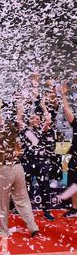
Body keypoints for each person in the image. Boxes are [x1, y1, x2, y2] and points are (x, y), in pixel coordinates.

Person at [0, 113, 39, 237]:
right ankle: (33, 227)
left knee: (2, 202)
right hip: (19, 168)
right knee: (23, 199)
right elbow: (30, 145)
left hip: (5, 170)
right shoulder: (16, 139)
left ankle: (2, 230)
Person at [18, 99, 56, 221]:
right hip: (28, 163)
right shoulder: (26, 131)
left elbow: (48, 120)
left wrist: (44, 106)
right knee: (25, 187)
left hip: (42, 163)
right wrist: (21, 105)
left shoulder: (43, 131)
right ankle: (23, 210)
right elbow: (19, 121)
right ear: (29, 120)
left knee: (44, 187)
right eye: (33, 118)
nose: (36, 119)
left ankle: (46, 210)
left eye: (38, 118)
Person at [60, 82, 77, 217]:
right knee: (74, 184)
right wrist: (63, 95)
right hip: (75, 160)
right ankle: (75, 209)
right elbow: (66, 111)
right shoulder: (76, 124)